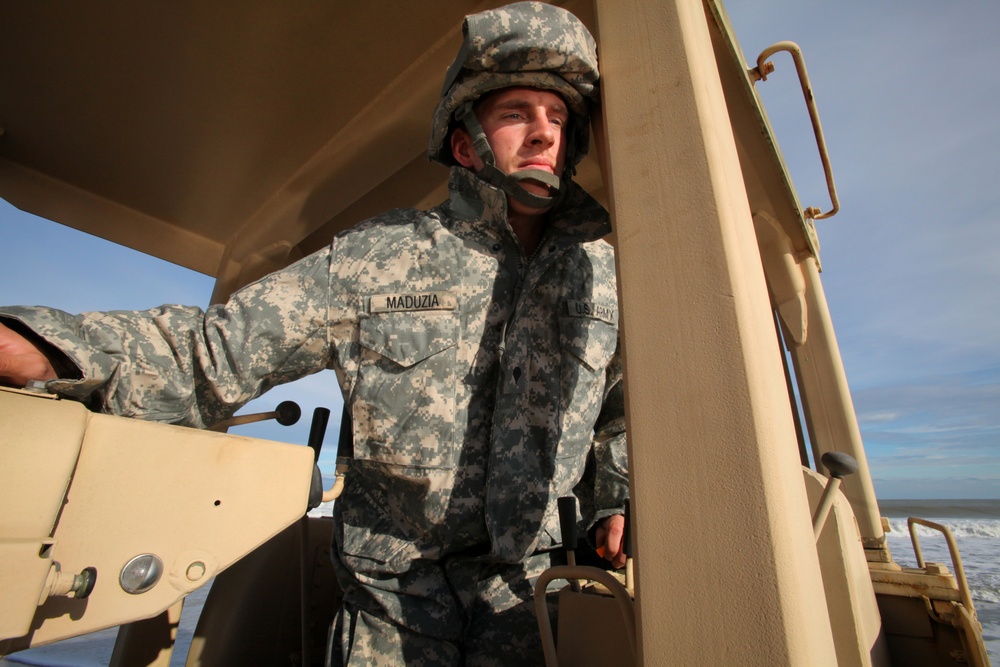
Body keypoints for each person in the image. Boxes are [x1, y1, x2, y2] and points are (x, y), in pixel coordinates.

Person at [0, 3, 628, 664]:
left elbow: (618, 417)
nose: (542, 134)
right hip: (393, 616)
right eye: (515, 114)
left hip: (529, 613)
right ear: (467, 142)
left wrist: (612, 506)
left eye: (557, 118)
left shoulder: (604, 277)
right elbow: (219, 351)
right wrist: (44, 346)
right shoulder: (378, 255)